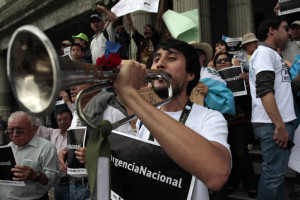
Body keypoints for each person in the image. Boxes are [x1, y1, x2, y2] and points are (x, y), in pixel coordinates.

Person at [113, 39, 231, 199]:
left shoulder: (210, 118)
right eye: (156, 59)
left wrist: (130, 95)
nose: (160, 64)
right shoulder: (143, 119)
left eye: (171, 58)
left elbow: (217, 175)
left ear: (190, 74)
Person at [58, 83, 134, 200]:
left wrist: (95, 157)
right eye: (72, 82)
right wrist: (67, 150)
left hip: (98, 187)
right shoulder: (77, 114)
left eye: (80, 81)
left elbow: (130, 153)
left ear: (95, 84)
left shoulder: (112, 112)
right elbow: (82, 144)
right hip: (74, 187)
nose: (72, 87)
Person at [249, 17, 296, 199]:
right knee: (273, 176)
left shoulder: (272, 54)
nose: (289, 33)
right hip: (273, 124)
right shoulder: (264, 54)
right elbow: (265, 89)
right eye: (285, 28)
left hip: (277, 123)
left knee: (277, 177)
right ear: (272, 30)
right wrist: (279, 126)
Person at [214, 51, 257, 198]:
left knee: (241, 153)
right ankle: (233, 180)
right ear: (215, 65)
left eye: (226, 59)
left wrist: (247, 82)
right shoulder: (211, 79)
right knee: (228, 155)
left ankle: (250, 183)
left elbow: (253, 98)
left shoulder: (241, 74)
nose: (223, 62)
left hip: (241, 121)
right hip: (222, 123)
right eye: (219, 61)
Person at [1, 111, 60, 199]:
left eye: (20, 131)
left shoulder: (46, 147)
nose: (14, 135)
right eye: (10, 131)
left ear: (34, 129)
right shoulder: (7, 148)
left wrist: (35, 176)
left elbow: (54, 179)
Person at [189, 41, 235, 115]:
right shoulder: (182, 76)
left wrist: (208, 95)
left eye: (192, 55)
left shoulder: (209, 74)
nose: (188, 59)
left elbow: (228, 104)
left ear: (202, 57)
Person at [36, 109, 73, 200]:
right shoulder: (53, 133)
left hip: (71, 182)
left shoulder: (76, 134)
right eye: (59, 120)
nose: (62, 122)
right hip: (56, 184)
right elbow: (38, 128)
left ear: (72, 120)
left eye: (65, 119)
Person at [125, 0, 164, 66]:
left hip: (152, 66)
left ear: (151, 30)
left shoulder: (155, 38)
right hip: (141, 67)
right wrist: (125, 7)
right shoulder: (140, 39)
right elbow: (130, 24)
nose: (145, 28)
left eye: (147, 27)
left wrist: (162, 2)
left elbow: (159, 20)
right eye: (144, 27)